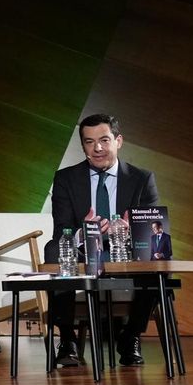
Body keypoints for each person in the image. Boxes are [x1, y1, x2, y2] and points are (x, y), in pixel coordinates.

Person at [46, 113, 160, 367]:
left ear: (119, 141)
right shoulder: (65, 178)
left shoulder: (142, 179)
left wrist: (132, 231)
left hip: (125, 251)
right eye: (89, 142)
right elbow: (61, 230)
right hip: (83, 252)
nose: (97, 148)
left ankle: (131, 336)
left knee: (156, 253)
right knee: (54, 249)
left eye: (104, 140)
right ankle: (67, 338)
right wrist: (84, 231)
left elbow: (152, 227)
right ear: (83, 146)